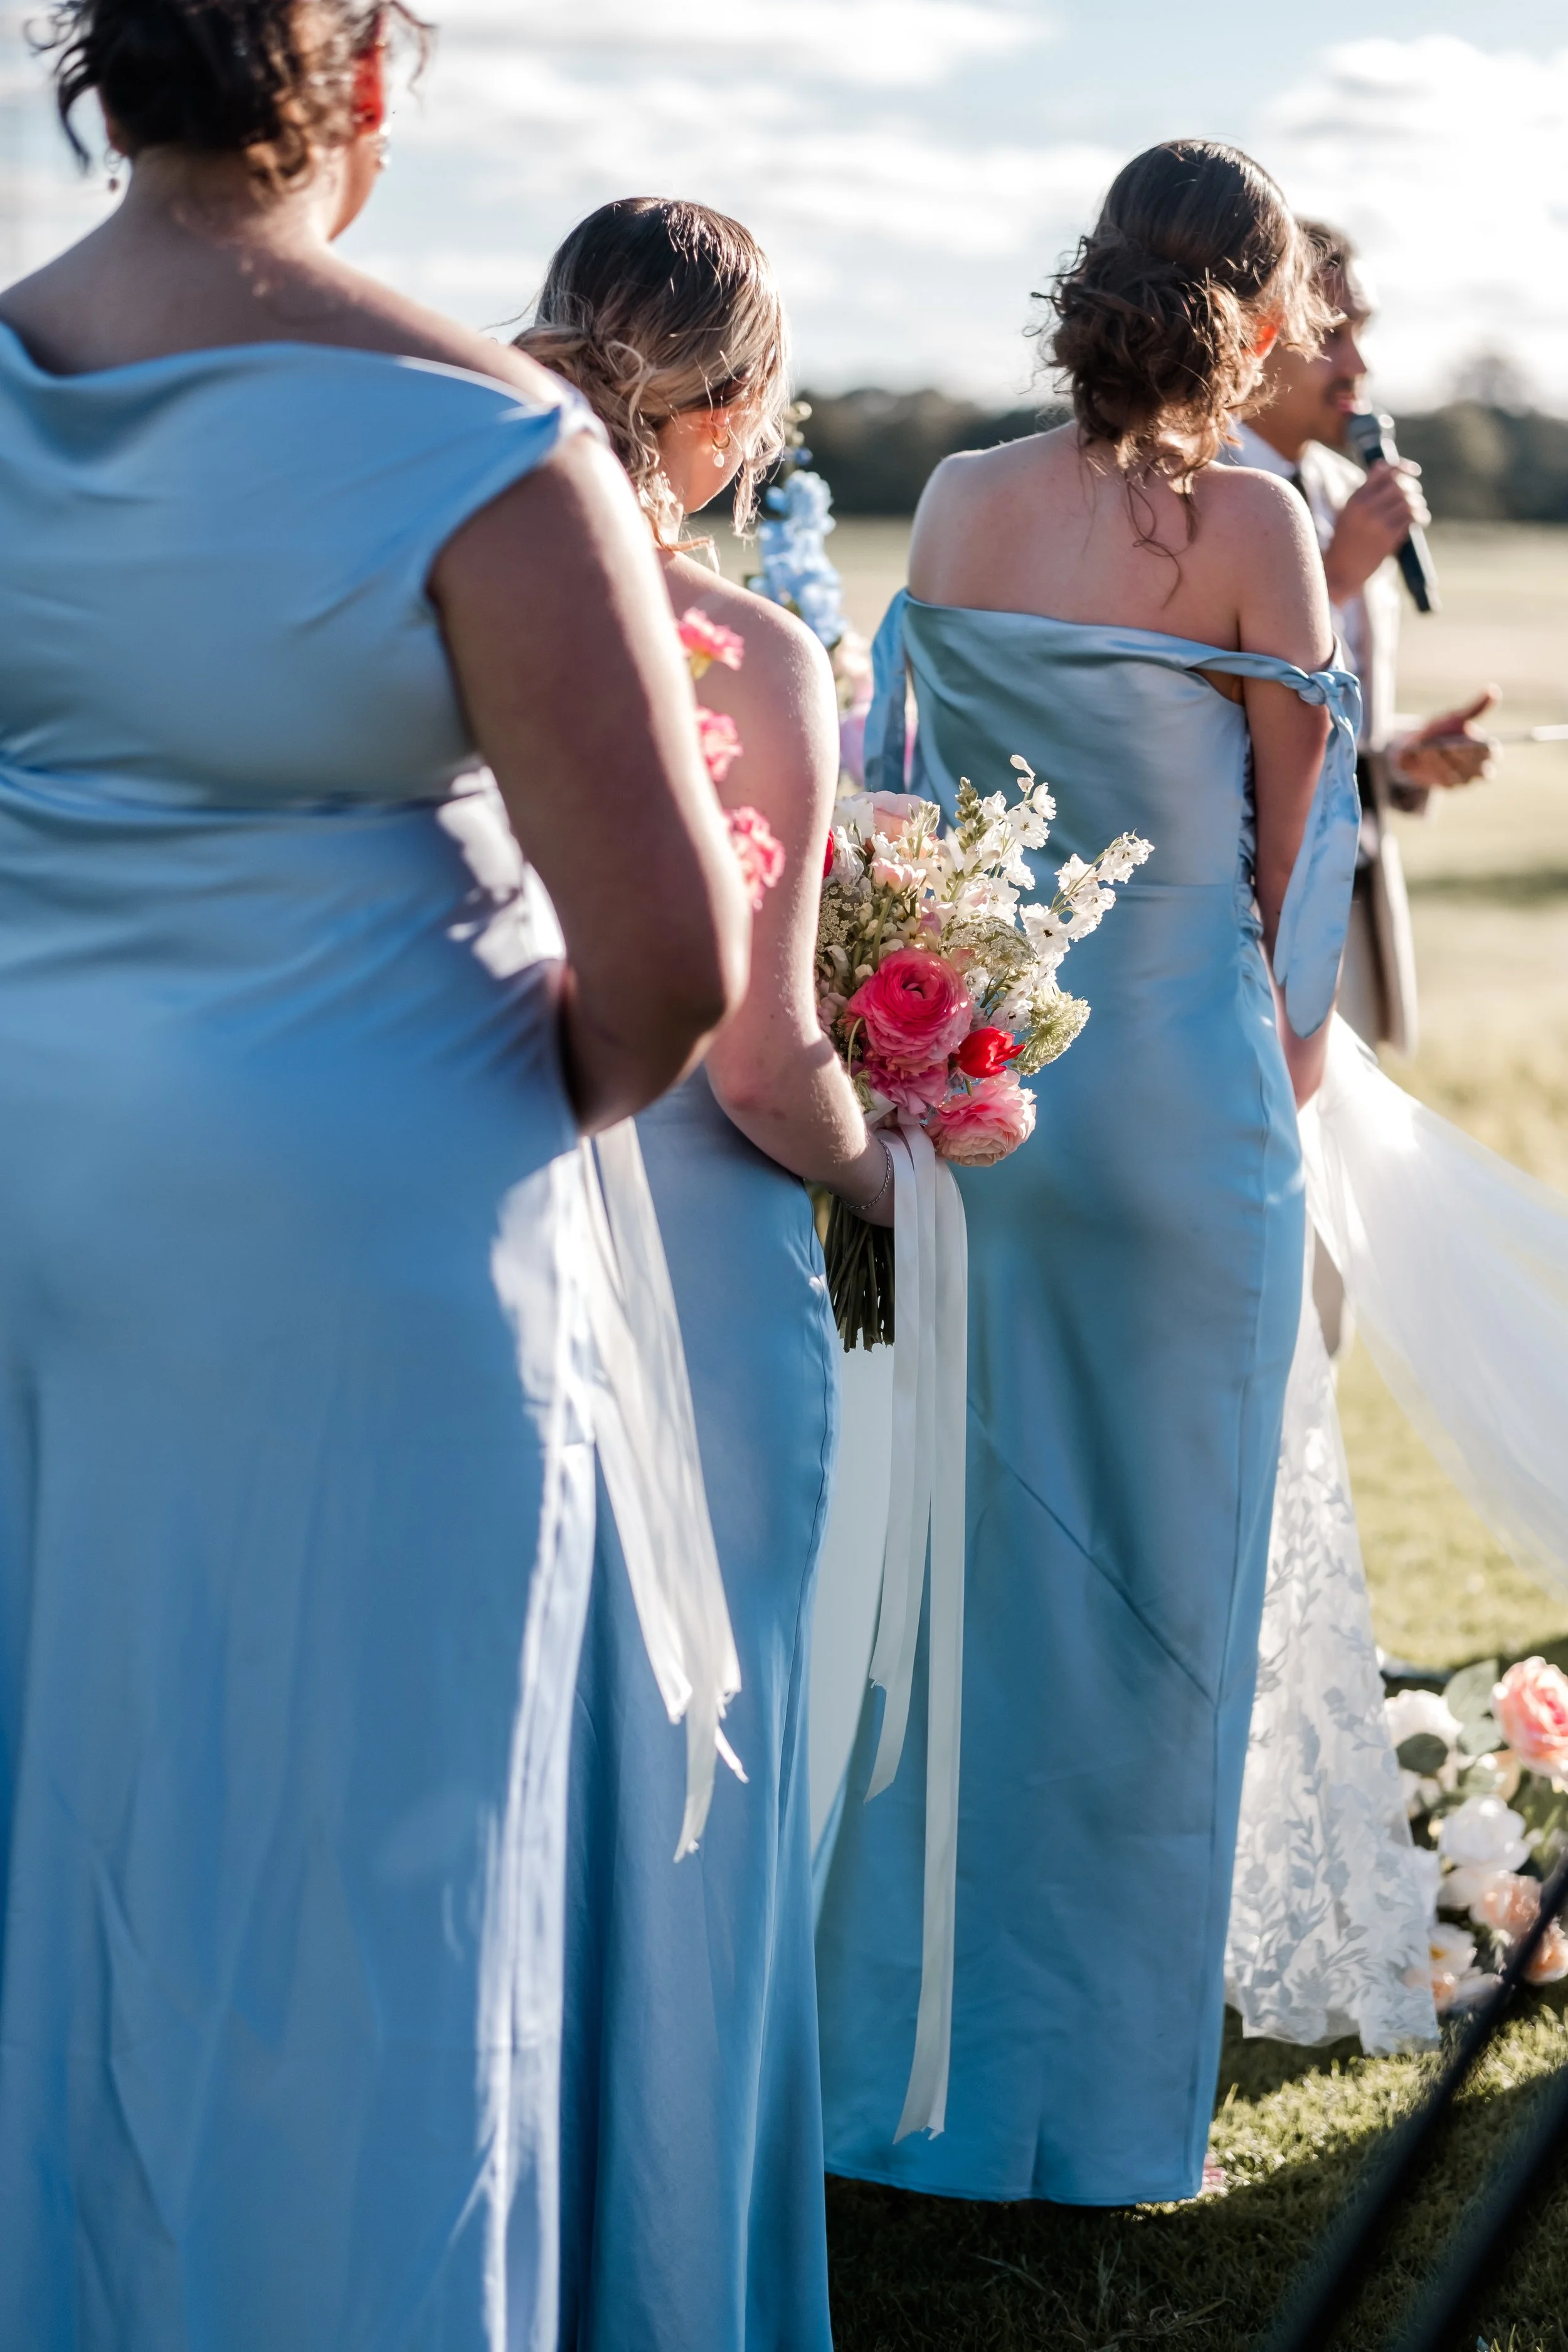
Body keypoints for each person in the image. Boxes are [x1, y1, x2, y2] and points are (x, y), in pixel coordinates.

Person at [0, 11, 750, 2348]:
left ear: (102, 87)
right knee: (364, 1892)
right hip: (377, 1236)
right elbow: (667, 962)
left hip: (35, 1204)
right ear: (370, 95)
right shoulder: (482, 436)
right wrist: (450, 1085)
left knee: (65, 1818)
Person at [813, 140, 1362, 2206]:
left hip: (989, 1109)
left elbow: (910, 792)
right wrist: (1276, 1091)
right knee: (1161, 1623)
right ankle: (1105, 2125)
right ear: (1256, 299)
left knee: (976, 1601)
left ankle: (913, 2084)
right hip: (1181, 1126)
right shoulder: (1254, 522)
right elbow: (1291, 870)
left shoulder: (957, 497)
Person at [514, 199, 890, 2352]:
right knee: (700, 1783)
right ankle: (685, 2293)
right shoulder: (745, 659)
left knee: (518, 1767)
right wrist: (897, 1173)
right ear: (736, 417)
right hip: (698, 1278)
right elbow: (764, 1057)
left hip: (490, 1246)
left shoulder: (429, 598)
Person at [1229, 221, 1495, 1360]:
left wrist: (1399, 761)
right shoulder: (1203, 496)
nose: (1359, 368)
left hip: (1352, 931)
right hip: (1236, 941)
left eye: (1365, 335)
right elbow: (1201, 732)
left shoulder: (1345, 486)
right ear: (1260, 334)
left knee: (1332, 1286)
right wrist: (1329, 573)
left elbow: (1332, 721)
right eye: (1336, 334)